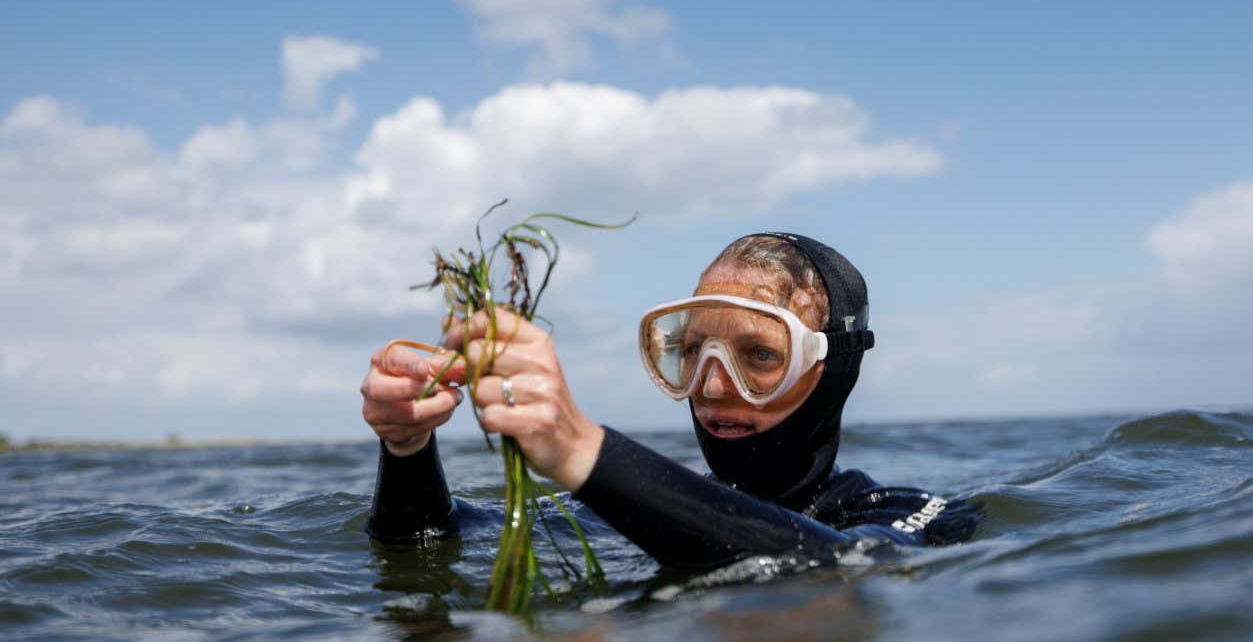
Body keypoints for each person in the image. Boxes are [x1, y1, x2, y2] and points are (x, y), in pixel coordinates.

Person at [361, 232, 976, 571]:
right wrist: (408, 445)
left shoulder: (905, 512)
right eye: (690, 351)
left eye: (760, 356)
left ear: (832, 368)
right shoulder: (625, 507)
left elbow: (838, 565)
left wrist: (582, 449)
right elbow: (427, 544)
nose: (710, 387)